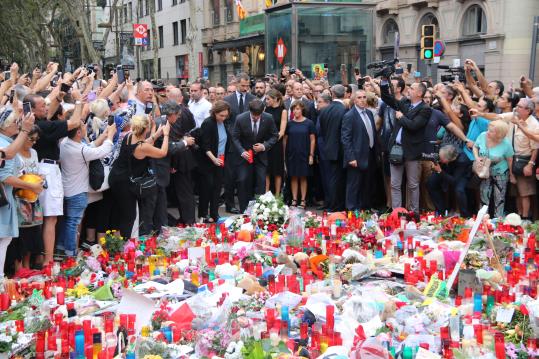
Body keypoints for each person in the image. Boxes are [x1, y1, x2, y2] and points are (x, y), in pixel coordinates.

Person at [25, 93, 81, 264]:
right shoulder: (43, 125)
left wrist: (58, 96)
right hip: (47, 170)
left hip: (37, 168)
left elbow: (49, 114)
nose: (46, 108)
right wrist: (79, 101)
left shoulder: (32, 124)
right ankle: (48, 262)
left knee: (37, 218)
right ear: (32, 110)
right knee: (50, 217)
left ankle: (39, 257)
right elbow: (75, 122)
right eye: (42, 106)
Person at [58, 114, 116, 257]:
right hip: (78, 193)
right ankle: (71, 253)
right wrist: (111, 137)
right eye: (83, 126)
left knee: (66, 222)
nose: (85, 127)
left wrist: (103, 135)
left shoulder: (65, 142)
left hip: (66, 189)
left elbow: (88, 147)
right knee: (73, 223)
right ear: (78, 132)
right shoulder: (80, 150)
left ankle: (61, 250)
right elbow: (100, 151)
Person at [108, 115, 170, 238]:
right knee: (129, 216)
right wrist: (166, 134)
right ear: (145, 128)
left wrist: (155, 133)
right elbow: (162, 152)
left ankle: (116, 241)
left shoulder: (129, 136)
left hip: (115, 177)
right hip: (125, 183)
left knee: (117, 212)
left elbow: (143, 144)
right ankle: (125, 245)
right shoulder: (142, 147)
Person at [0, 109, 43, 277]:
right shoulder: (4, 143)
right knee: (3, 241)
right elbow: (4, 176)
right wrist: (30, 186)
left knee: (5, 241)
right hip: (3, 202)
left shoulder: (6, 140)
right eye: (15, 122)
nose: (18, 125)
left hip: (6, 199)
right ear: (8, 125)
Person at [381, 80, 431, 213]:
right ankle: (396, 212)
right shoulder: (405, 103)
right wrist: (385, 82)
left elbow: (414, 126)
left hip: (412, 151)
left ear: (420, 93)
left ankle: (414, 212)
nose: (408, 89)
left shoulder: (425, 109)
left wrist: (401, 117)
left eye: (412, 88)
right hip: (396, 148)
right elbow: (387, 99)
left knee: (413, 184)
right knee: (395, 184)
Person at [151, 101, 194, 232]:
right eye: (178, 115)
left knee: (161, 201)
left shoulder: (163, 121)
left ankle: (162, 227)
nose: (179, 118)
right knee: (159, 202)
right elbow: (168, 148)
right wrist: (185, 142)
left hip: (163, 166)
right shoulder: (162, 124)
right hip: (157, 168)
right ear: (172, 114)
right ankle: (161, 228)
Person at [232, 99, 278, 212]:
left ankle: (259, 211)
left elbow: (274, 136)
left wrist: (264, 146)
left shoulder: (268, 118)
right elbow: (235, 137)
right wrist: (242, 151)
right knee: (243, 181)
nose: (256, 118)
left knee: (261, 183)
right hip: (245, 156)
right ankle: (244, 211)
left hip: (261, 156)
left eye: (258, 115)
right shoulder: (240, 118)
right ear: (249, 111)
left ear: (263, 111)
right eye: (254, 115)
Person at [9, 125, 43, 273]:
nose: (33, 142)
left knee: (33, 232)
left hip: (33, 198)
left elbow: (37, 172)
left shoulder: (34, 153)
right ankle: (18, 267)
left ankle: (27, 265)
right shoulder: (14, 153)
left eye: (36, 140)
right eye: (31, 139)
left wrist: (39, 179)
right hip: (18, 198)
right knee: (20, 234)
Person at [223, 73, 256, 214]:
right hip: (231, 143)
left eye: (247, 86)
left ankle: (246, 204)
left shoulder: (252, 99)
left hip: (247, 144)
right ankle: (229, 204)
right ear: (236, 84)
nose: (245, 88)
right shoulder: (228, 100)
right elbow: (226, 121)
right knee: (229, 176)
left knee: (245, 177)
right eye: (242, 85)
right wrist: (234, 133)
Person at [341, 89, 377, 210]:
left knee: (367, 184)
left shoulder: (370, 113)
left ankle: (365, 209)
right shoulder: (349, 115)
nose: (362, 100)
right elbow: (346, 139)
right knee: (354, 185)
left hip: (369, 154)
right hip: (355, 156)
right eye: (359, 98)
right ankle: (351, 210)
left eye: (364, 97)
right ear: (355, 100)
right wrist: (351, 158)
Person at [473, 120, 514, 218]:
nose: (488, 132)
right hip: (484, 172)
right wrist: (477, 158)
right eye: (488, 129)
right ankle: (482, 219)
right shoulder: (483, 136)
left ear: (499, 134)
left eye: (491, 131)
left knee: (499, 198)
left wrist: (512, 175)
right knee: (484, 195)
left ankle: (498, 220)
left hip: (501, 173)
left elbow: (510, 160)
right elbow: (475, 146)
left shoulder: (506, 144)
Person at [198, 101, 231, 222]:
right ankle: (203, 214)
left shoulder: (224, 122)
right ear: (214, 113)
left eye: (225, 115)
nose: (223, 118)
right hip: (208, 161)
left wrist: (220, 159)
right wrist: (213, 159)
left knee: (217, 188)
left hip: (220, 159)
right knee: (206, 188)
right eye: (221, 115)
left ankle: (214, 213)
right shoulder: (208, 123)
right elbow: (204, 145)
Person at [507, 98, 539, 220]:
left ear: (528, 110)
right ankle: (518, 218)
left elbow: (536, 147)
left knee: (525, 193)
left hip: (525, 160)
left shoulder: (534, 124)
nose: (516, 108)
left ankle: (525, 218)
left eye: (520, 106)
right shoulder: (515, 118)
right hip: (514, 159)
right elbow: (497, 116)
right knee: (516, 193)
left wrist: (530, 164)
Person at [318, 85, 347, 211]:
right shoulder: (345, 110)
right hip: (342, 149)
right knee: (339, 178)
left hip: (328, 148)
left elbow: (323, 131)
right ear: (344, 94)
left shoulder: (324, 110)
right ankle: (337, 204)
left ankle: (331, 203)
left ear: (332, 94)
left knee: (331, 177)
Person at [284, 101, 316, 208]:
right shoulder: (289, 124)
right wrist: (284, 155)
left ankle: (303, 200)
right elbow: (285, 140)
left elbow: (312, 140)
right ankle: (294, 199)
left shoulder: (309, 123)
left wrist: (311, 155)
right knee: (293, 176)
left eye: (298, 109)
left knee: (303, 177)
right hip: (292, 154)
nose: (295, 111)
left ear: (302, 110)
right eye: (294, 109)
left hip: (304, 153)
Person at [426, 145, 460, 215]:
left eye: (441, 158)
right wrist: (435, 163)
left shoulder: (461, 161)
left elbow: (454, 181)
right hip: (443, 170)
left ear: (447, 159)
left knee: (458, 189)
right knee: (431, 182)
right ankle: (440, 210)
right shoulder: (443, 157)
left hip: (456, 177)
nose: (439, 158)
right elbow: (439, 166)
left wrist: (440, 170)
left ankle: (460, 212)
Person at [265, 89, 287, 195]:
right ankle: (266, 194)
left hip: (277, 144)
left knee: (277, 171)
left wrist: (272, 141)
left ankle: (278, 194)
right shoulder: (266, 109)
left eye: (268, 99)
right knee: (267, 171)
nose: (266, 101)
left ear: (275, 99)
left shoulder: (283, 111)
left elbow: (282, 131)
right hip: (266, 144)